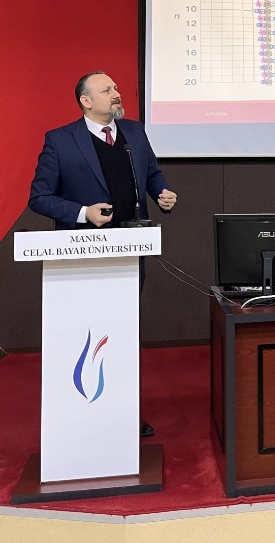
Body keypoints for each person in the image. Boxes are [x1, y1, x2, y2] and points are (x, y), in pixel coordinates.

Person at [29, 70, 178, 437]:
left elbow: (152, 174)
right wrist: (83, 213)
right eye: (106, 89)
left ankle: (123, 415)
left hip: (130, 250)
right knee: (86, 336)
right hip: (83, 255)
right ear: (86, 101)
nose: (116, 93)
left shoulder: (134, 133)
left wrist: (161, 192)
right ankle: (82, 416)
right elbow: (39, 197)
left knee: (123, 334)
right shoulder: (60, 140)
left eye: (115, 87)